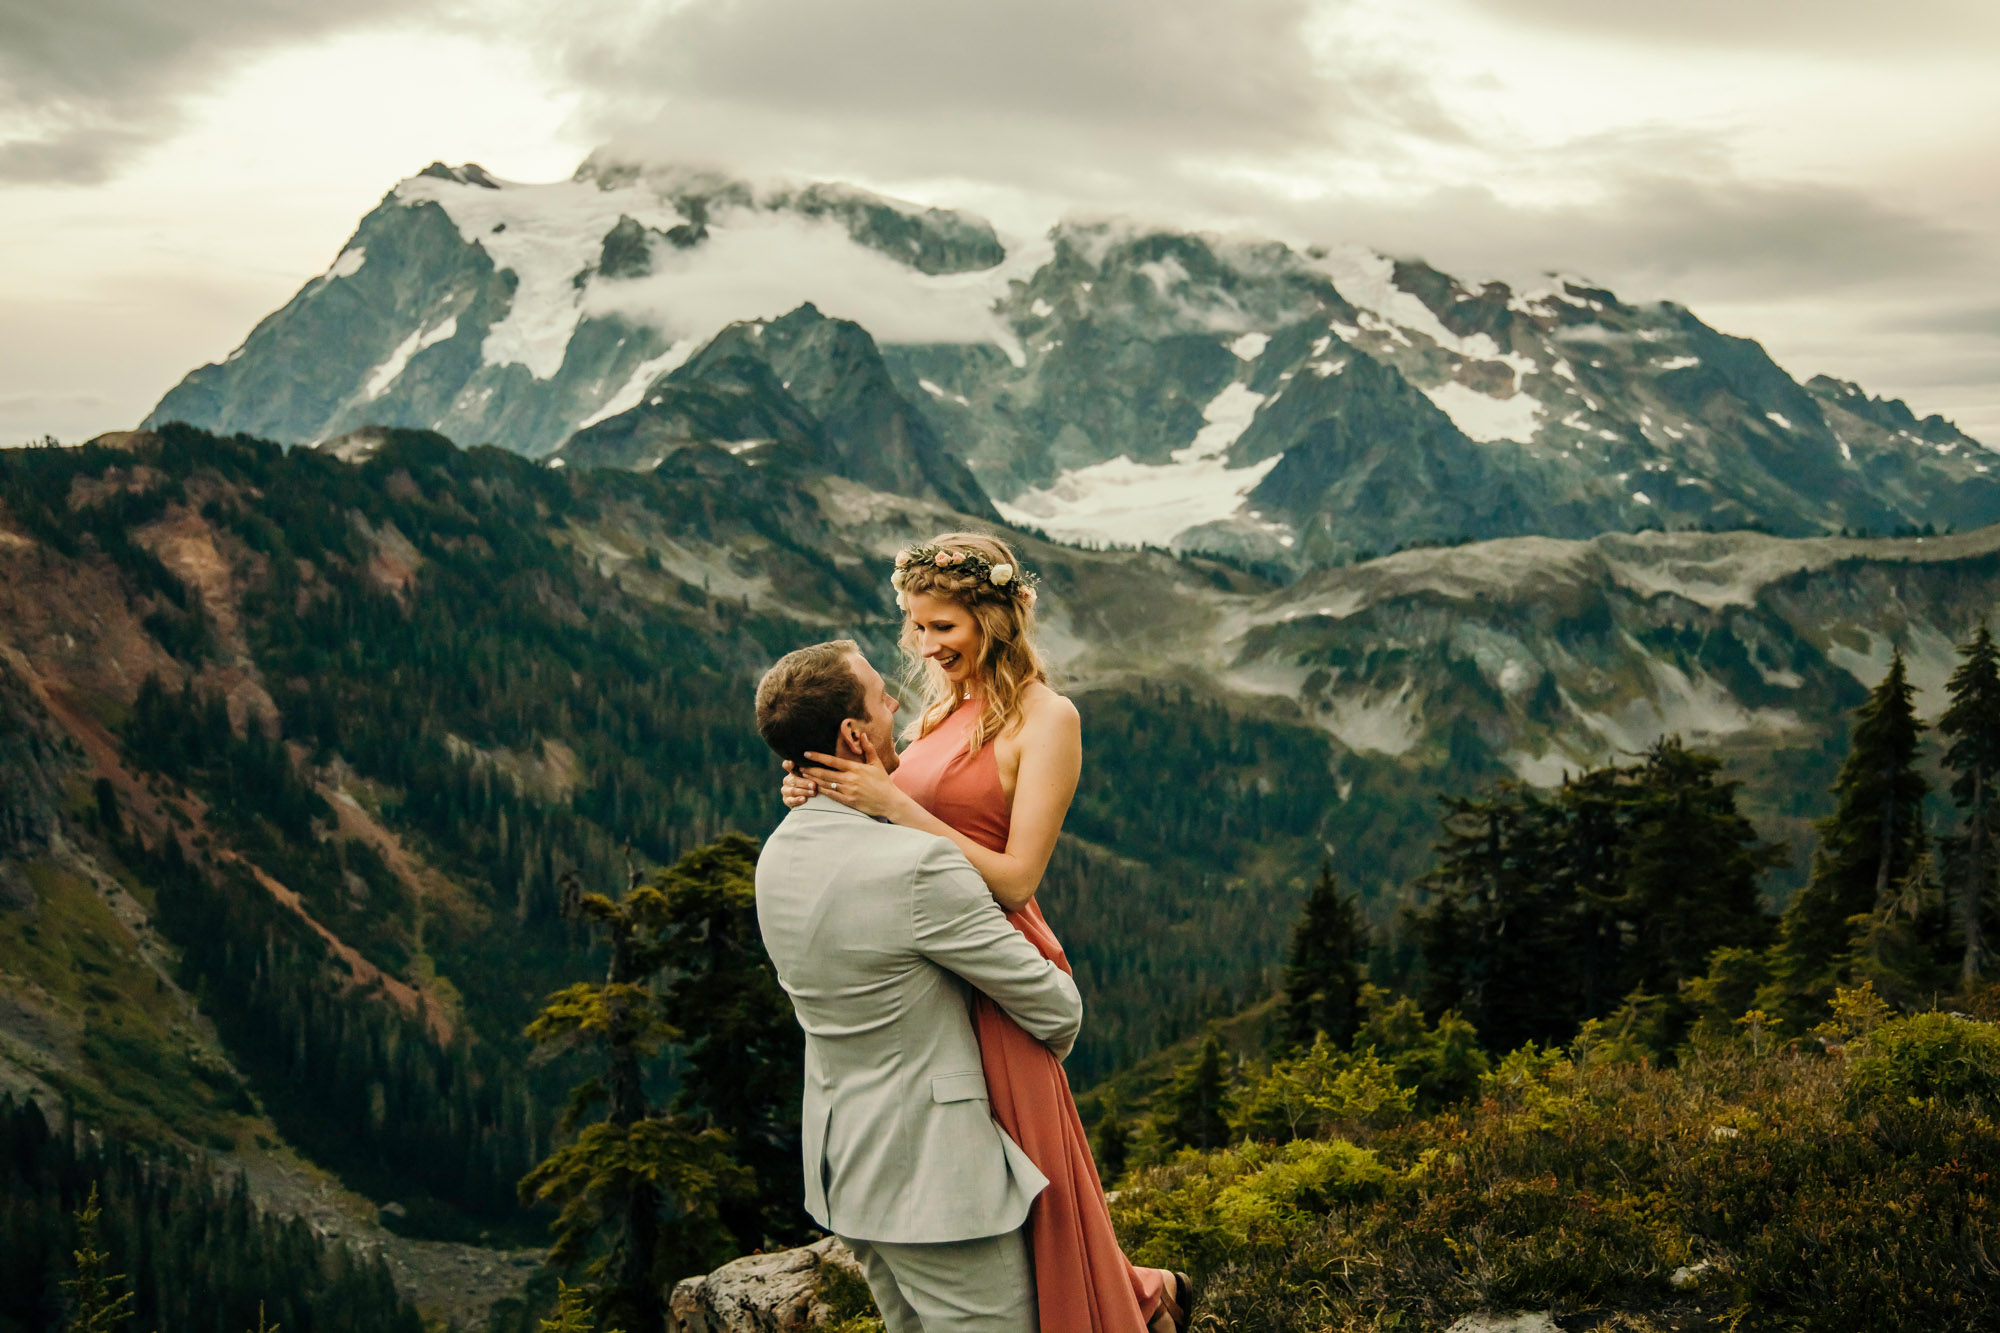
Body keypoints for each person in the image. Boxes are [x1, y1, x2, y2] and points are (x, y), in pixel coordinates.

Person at [785, 532, 1193, 1333]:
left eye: (944, 627)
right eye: (916, 625)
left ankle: (1121, 1306)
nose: (926, 646)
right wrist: (822, 787)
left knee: (1029, 1176)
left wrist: (894, 804)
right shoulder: (941, 708)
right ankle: (1141, 1296)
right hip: (933, 960)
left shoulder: (1050, 719)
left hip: (997, 960)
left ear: (996, 617)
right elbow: (887, 818)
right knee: (993, 1179)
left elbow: (1016, 878)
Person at [753, 638, 1082, 1333]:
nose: (896, 704)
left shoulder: (777, 853)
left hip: (847, 1173)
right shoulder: (918, 868)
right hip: (939, 1187)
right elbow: (1057, 1009)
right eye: (880, 697)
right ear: (852, 734)